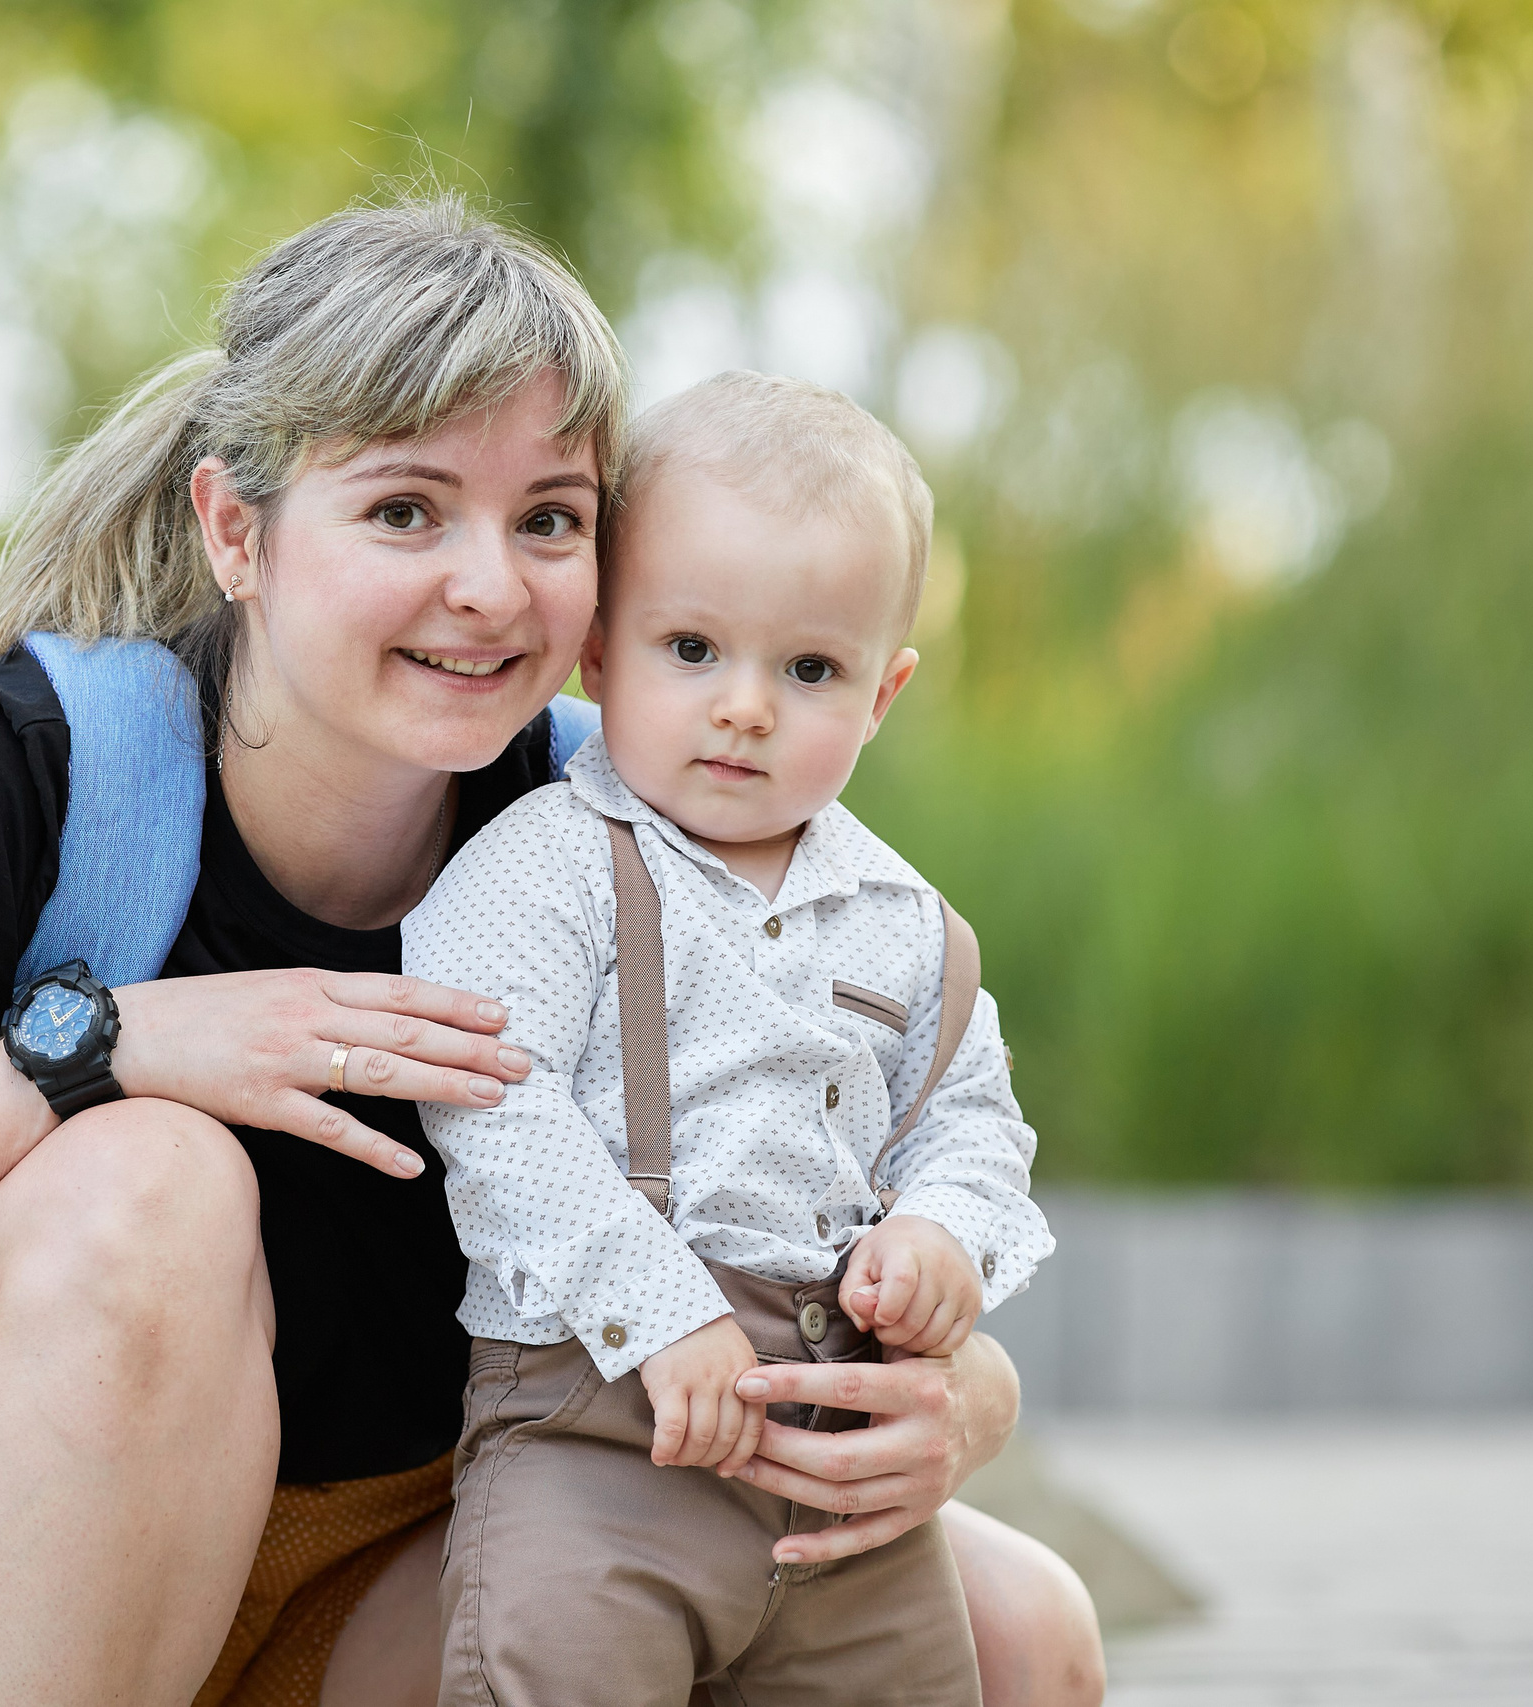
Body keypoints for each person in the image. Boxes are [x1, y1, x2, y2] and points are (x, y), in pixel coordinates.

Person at [0, 196, 1104, 1707]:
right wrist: (98, 1051)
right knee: (152, 1184)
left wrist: (958, 1398)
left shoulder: (621, 828)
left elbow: (814, 1207)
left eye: (548, 520)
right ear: (238, 529)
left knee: (1018, 1635)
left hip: (362, 1581)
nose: (488, 584)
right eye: (405, 510)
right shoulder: (13, 772)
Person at [404, 371, 1052, 1704]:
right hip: (599, 1435)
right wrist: (660, 1309)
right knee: (558, 1673)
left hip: (842, 1473)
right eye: (691, 650)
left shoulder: (903, 924)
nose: (746, 706)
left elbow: (971, 1115)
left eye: (810, 669)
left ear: (883, 693)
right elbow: (495, 1109)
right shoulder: (543, 869)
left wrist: (941, 1230)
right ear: (600, 650)